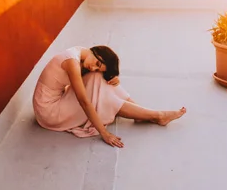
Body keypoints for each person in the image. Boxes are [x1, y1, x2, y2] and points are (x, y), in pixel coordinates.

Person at [32, 45, 186, 148]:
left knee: (99, 78)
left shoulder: (82, 54)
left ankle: (140, 112)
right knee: (100, 90)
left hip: (54, 100)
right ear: (97, 52)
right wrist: (104, 134)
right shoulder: (72, 62)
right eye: (97, 63)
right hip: (49, 111)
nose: (93, 67)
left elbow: (89, 77)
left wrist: (113, 80)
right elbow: (84, 101)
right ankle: (156, 115)